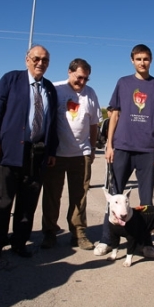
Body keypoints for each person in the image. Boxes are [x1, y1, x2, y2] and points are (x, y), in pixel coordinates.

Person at [94, 44, 154, 257]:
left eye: (146, 59)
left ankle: (144, 243)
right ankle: (107, 240)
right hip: (122, 147)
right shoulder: (123, 83)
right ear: (132, 60)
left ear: (151, 60)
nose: (142, 62)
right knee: (114, 197)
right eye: (138, 59)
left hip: (147, 149)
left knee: (146, 201)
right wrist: (109, 145)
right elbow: (114, 115)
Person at [0, 45, 58, 260]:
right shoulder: (11, 80)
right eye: (36, 58)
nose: (40, 63)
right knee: (3, 199)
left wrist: (51, 150)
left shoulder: (50, 89)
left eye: (45, 60)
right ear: (27, 59)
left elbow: (53, 124)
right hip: (7, 151)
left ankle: (19, 242)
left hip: (36, 154)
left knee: (28, 201)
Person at [41, 58, 102, 250]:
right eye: (79, 77)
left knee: (79, 196)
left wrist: (92, 149)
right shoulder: (55, 89)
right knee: (52, 195)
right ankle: (49, 233)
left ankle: (78, 233)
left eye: (85, 79)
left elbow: (94, 125)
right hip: (56, 154)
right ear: (69, 72)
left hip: (81, 154)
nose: (82, 82)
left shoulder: (90, 94)